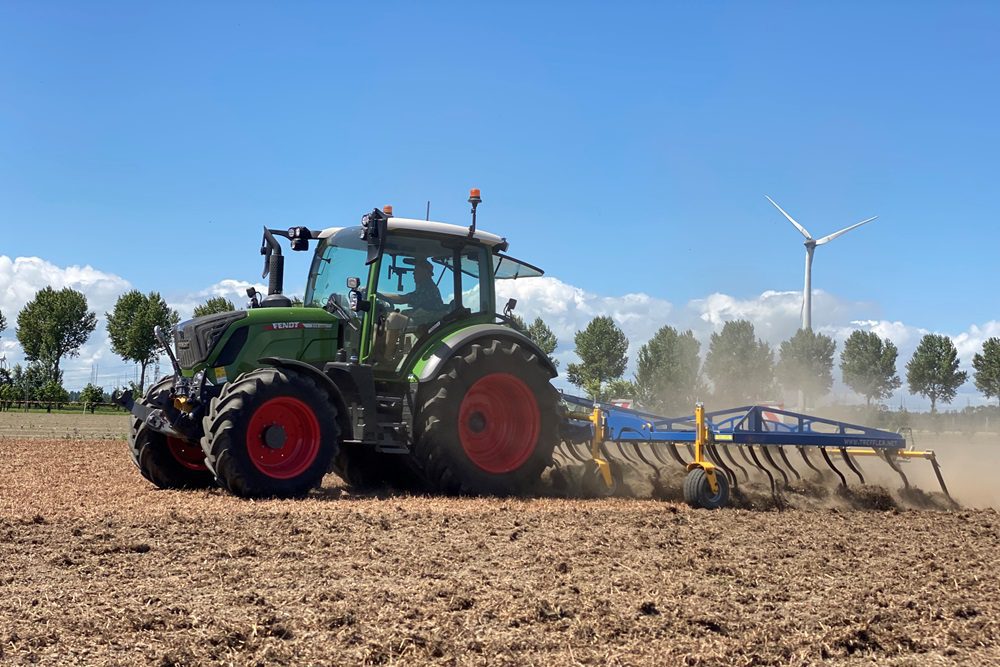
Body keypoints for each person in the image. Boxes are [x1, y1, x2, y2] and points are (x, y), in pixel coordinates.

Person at [380, 258, 445, 361]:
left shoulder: (428, 287)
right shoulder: (422, 286)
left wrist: (378, 294)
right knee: (383, 320)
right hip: (422, 320)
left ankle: (387, 359)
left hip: (427, 323)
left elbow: (403, 299)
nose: (413, 273)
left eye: (417, 270)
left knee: (394, 318)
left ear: (426, 272)